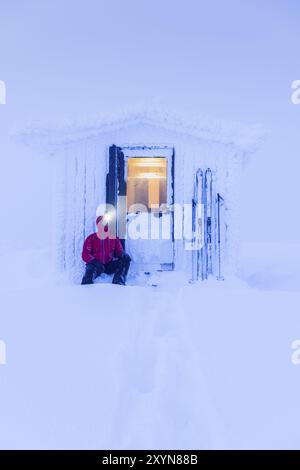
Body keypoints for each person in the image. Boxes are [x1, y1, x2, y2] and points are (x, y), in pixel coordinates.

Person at [81, 214, 131, 285]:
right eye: (101, 223)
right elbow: (85, 254)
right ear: (97, 224)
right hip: (96, 265)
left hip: (109, 265)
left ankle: (119, 283)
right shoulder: (91, 238)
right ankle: (86, 288)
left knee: (125, 260)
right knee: (90, 270)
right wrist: (94, 262)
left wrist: (122, 254)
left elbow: (118, 251)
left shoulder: (113, 238)